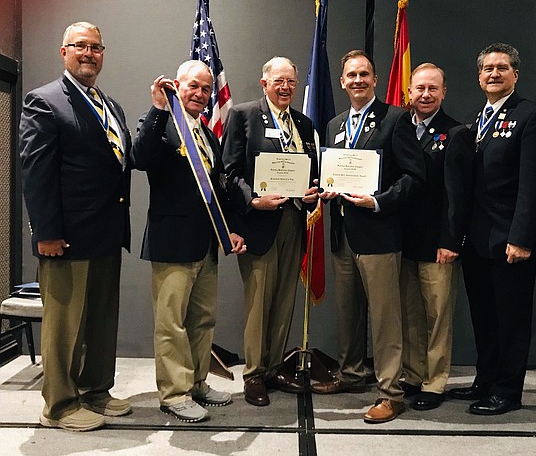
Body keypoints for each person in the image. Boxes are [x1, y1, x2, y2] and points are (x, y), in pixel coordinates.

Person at [19, 21, 132, 431]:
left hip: (105, 234)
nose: (89, 53)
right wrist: (45, 232)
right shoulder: (44, 101)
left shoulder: (110, 105)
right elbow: (35, 172)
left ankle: (96, 391)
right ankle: (59, 406)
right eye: (80, 46)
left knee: (101, 321)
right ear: (63, 51)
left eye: (96, 47)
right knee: (65, 328)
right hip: (65, 237)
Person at [311, 50, 425, 424]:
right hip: (343, 234)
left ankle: (391, 393)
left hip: (379, 233)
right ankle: (351, 374)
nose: (357, 80)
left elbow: (413, 179)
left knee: (386, 319)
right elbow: (333, 173)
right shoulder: (334, 124)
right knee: (348, 314)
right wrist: (325, 190)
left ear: (375, 80)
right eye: (351, 75)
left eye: (364, 74)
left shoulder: (395, 119)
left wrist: (377, 202)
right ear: (342, 82)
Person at [131, 60, 245, 423]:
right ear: (177, 86)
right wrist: (157, 108)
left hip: (206, 244)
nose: (199, 94)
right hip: (172, 243)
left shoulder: (207, 134)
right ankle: (174, 394)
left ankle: (196, 382)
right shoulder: (162, 125)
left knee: (202, 320)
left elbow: (216, 190)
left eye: (206, 89)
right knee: (171, 324)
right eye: (193, 86)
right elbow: (140, 157)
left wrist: (229, 228)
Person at [448, 43, 536, 415]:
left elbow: (534, 184)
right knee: (485, 316)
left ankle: (507, 390)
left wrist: (522, 237)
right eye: (487, 69)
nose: (494, 74)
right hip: (479, 240)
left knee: (511, 319)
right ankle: (486, 379)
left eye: (502, 68)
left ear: (516, 74)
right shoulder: (477, 118)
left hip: (512, 240)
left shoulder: (531, 116)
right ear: (479, 77)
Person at [221, 57, 319, 407]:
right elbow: (228, 173)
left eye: (291, 82)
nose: (285, 87)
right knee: (259, 301)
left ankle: (276, 366)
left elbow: (311, 175)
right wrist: (252, 202)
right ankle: (254, 373)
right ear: (264, 83)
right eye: (278, 81)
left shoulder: (305, 125)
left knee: (284, 299)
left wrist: (311, 194)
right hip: (259, 222)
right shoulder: (243, 115)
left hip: (294, 221)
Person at [399, 63, 473, 411]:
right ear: (409, 92)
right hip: (403, 240)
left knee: (437, 316)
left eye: (432, 89)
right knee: (411, 315)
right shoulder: (399, 127)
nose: (425, 95)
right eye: (419, 89)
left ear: (444, 93)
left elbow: (456, 194)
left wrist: (451, 240)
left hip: (437, 242)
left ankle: (435, 381)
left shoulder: (455, 133)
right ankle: (413, 375)